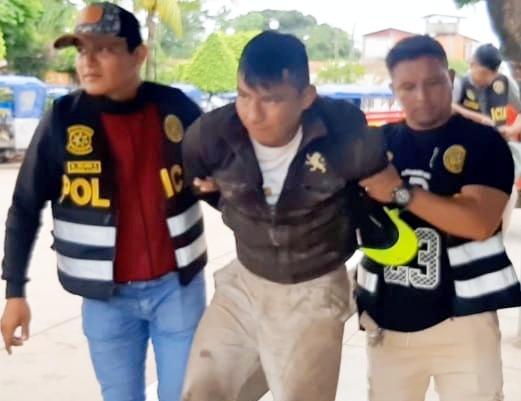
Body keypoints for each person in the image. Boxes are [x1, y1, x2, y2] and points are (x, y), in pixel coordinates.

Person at [180, 30, 413, 401]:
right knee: (203, 391)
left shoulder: (346, 136)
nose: (253, 114)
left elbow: (385, 191)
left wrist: (396, 194)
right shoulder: (212, 135)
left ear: (307, 97)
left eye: (271, 100)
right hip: (245, 278)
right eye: (244, 95)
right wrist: (239, 207)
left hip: (312, 288)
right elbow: (201, 185)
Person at [0, 3, 207, 401]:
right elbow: (24, 207)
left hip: (177, 290)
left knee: (184, 395)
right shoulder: (63, 120)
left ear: (138, 55)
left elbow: (223, 171)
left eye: (105, 49)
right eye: (81, 50)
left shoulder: (173, 107)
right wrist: (14, 292)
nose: (87, 62)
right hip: (106, 299)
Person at [357, 35, 521, 401]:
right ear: (393, 90)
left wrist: (400, 193)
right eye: (408, 87)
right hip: (389, 320)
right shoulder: (376, 144)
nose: (422, 96)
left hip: (464, 323)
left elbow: (478, 222)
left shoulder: (483, 142)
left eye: (433, 82)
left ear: (450, 78)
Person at [452, 43, 521, 141]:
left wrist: (512, 130)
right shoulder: (459, 84)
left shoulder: (506, 83)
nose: (489, 79)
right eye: (484, 73)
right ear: (472, 64)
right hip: (466, 143)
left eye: (494, 74)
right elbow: (446, 109)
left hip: (496, 143)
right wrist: (479, 118)